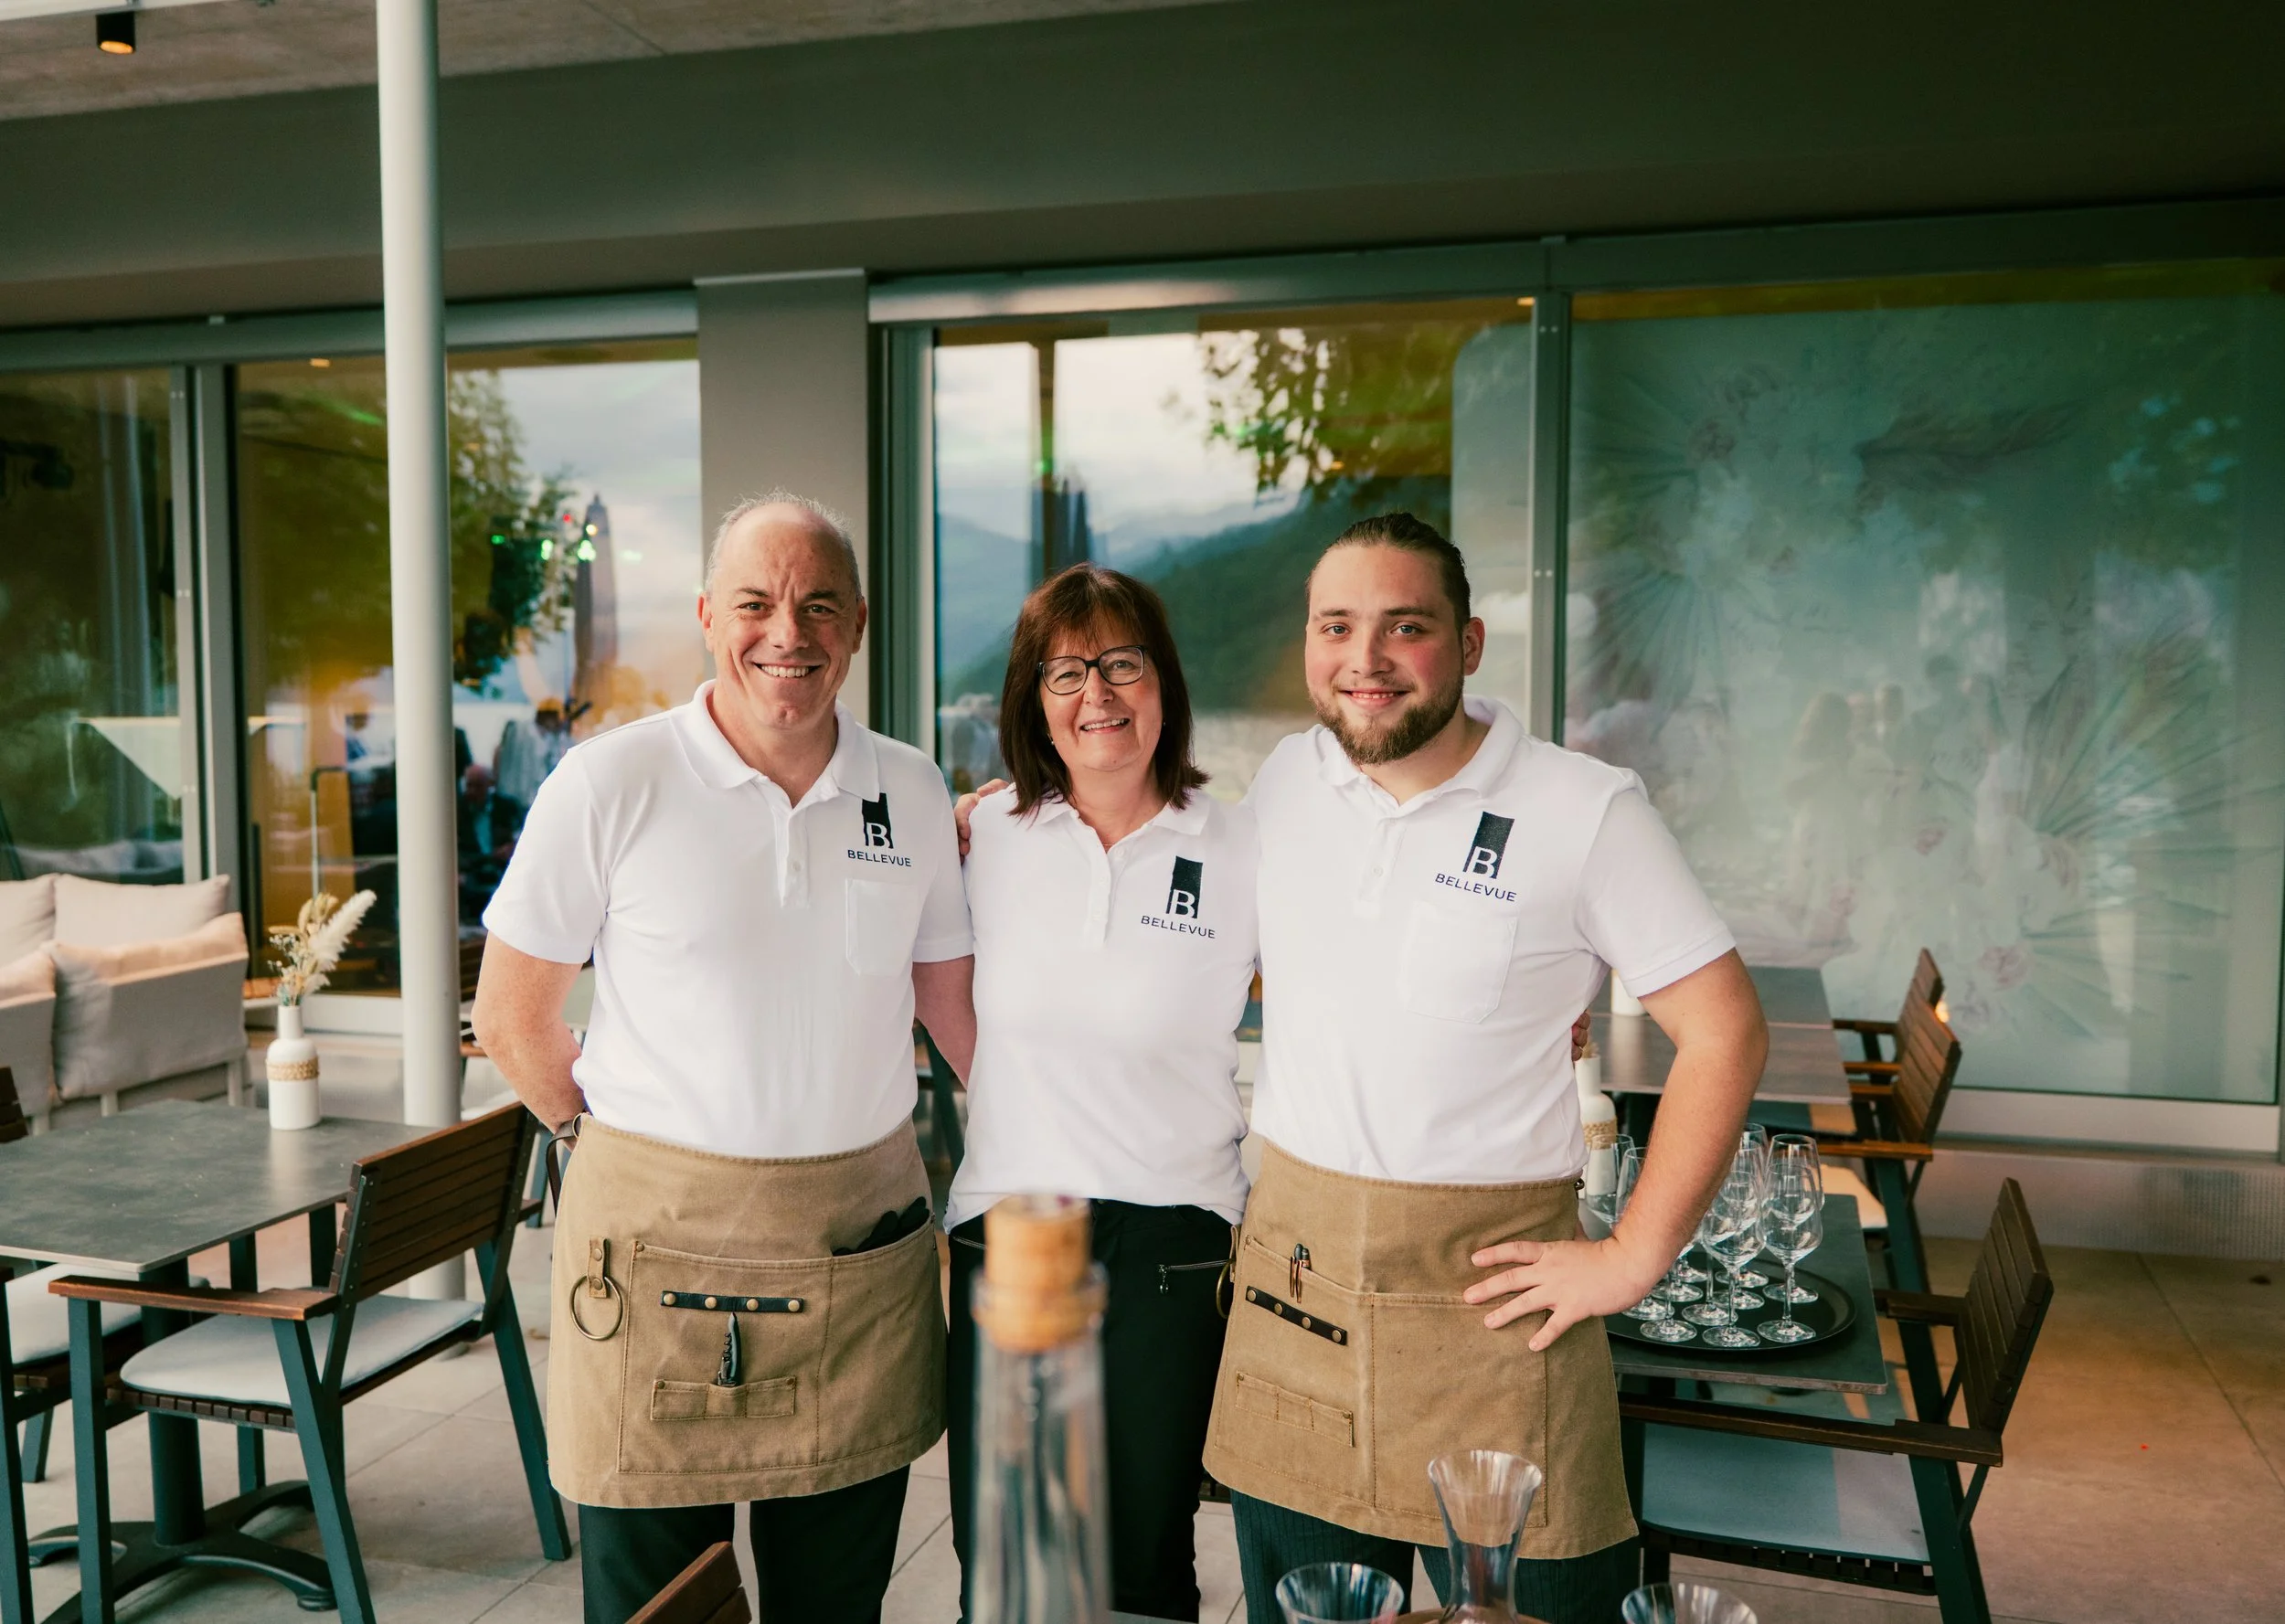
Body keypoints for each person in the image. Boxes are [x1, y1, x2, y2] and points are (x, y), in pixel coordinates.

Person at [1203, 512, 1767, 1624]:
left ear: (1467, 644)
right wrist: (1003, 823)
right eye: (1336, 626)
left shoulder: (1584, 807)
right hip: (1299, 1290)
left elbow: (1725, 1031)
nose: (1363, 659)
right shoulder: (1282, 782)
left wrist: (1628, 1259)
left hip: (1497, 1310)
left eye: (1402, 627)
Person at [471, 493, 977, 1624]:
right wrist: (594, 1143)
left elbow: (957, 1010)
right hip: (653, 1262)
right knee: (660, 1609)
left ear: (855, 626)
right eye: (755, 603)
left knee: (834, 1603)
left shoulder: (912, 785)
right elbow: (510, 1015)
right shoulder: (610, 782)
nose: (785, 633)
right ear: (708, 615)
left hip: (858, 1254)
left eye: (817, 606)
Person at [945, 564, 1257, 1623]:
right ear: (1034, 699)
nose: (1098, 694)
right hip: (1014, 1227)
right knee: (1005, 1564)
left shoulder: (1244, 846)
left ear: (1162, 681)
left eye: (1122, 663)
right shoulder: (984, 836)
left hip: (1175, 1239)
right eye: (1065, 671)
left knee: (1141, 1564)